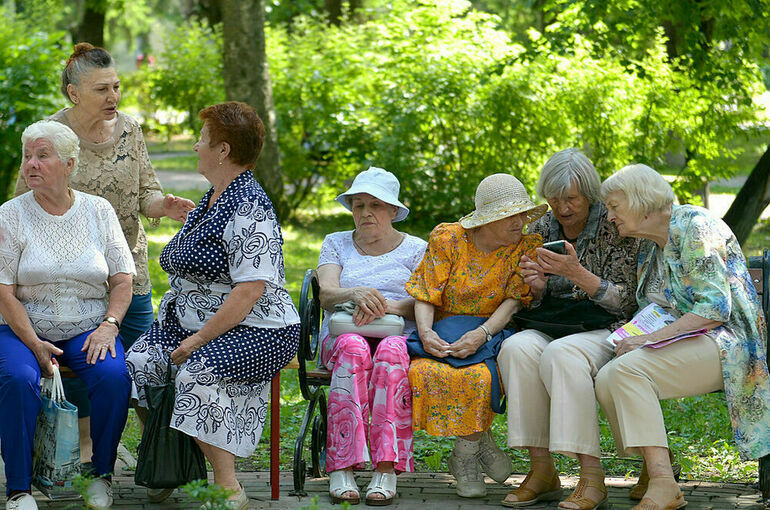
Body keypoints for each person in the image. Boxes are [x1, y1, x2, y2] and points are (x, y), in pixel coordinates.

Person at [14, 43, 195, 461]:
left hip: (126, 272)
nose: (113, 97)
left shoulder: (130, 128)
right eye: (102, 89)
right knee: (78, 368)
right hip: (68, 281)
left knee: (145, 358)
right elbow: (24, 204)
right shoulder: (49, 137)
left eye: (116, 87)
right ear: (74, 92)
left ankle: (157, 455)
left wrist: (162, 207)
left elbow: (144, 189)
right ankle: (84, 446)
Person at [125, 102, 300, 510]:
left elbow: (249, 291)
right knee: (136, 366)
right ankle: (172, 461)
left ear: (222, 150)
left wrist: (200, 339)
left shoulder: (249, 208)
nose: (194, 146)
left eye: (201, 140)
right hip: (189, 319)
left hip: (259, 328)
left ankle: (228, 487)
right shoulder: (213, 196)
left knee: (196, 373)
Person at [595, 164, 770, 510]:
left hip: (730, 343)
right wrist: (635, 333)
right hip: (691, 339)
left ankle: (663, 483)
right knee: (606, 377)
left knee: (627, 371)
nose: (609, 216)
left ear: (641, 201)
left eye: (615, 207)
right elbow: (659, 306)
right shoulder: (651, 245)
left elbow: (715, 308)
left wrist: (648, 340)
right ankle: (655, 467)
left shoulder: (694, 226)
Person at [496, 149, 643, 509]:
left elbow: (628, 302)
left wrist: (578, 274)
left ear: (588, 194)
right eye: (555, 198)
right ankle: (542, 470)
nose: (563, 208)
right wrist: (537, 288)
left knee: (562, 355)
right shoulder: (541, 229)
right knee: (515, 349)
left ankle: (592, 478)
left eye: (572, 199)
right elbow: (529, 303)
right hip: (556, 323)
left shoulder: (613, 225)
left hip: (607, 328)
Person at [0, 120, 135, 510]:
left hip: (87, 327)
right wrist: (33, 344)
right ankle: (20, 489)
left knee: (112, 376)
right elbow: (4, 292)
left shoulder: (98, 211)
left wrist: (109, 326)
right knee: (17, 377)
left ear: (70, 164)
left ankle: (100, 475)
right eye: (28, 156)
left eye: (43, 155)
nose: (31, 165)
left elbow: (123, 280)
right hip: (22, 328)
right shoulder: (10, 215)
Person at [406, 174, 547, 498]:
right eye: (512, 215)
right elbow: (427, 293)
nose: (521, 221)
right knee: (425, 371)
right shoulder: (449, 239)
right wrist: (425, 333)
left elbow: (514, 301)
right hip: (444, 329)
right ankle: (479, 441)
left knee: (481, 378)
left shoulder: (526, 247)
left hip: (493, 330)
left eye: (523, 213)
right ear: (488, 220)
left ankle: (464, 456)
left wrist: (482, 334)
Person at [317, 167, 427, 505]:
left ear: (393, 210)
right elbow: (325, 293)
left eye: (375, 205)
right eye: (358, 205)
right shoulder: (335, 243)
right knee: (353, 347)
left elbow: (426, 302)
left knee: (392, 352)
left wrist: (387, 306)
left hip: (396, 332)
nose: (365, 213)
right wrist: (355, 294)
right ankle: (342, 466)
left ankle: (385, 467)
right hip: (343, 333)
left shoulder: (417, 249)